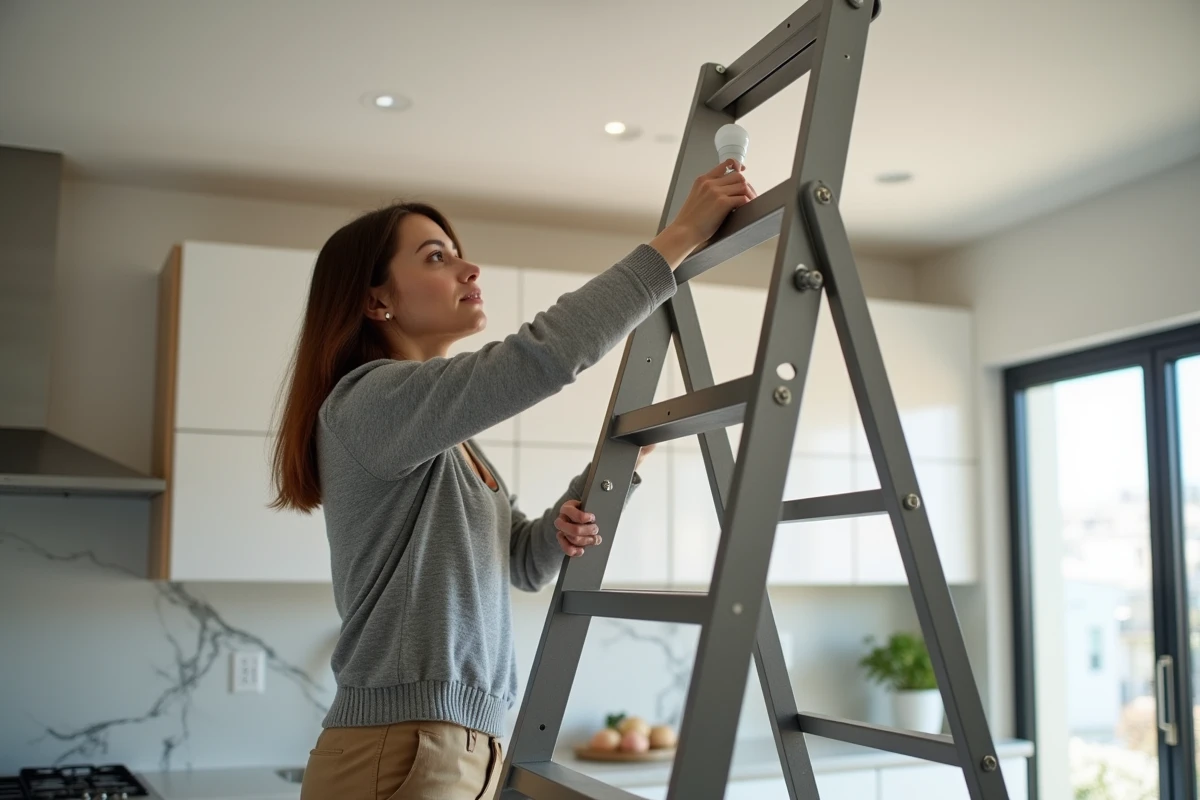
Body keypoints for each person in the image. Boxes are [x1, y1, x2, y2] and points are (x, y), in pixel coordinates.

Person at [270, 159, 755, 799]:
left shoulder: (446, 442)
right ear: (375, 299)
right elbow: (544, 356)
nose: (469, 270)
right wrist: (679, 237)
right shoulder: (368, 402)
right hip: (405, 746)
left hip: (455, 743)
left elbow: (522, 563)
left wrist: (606, 475)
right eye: (436, 258)